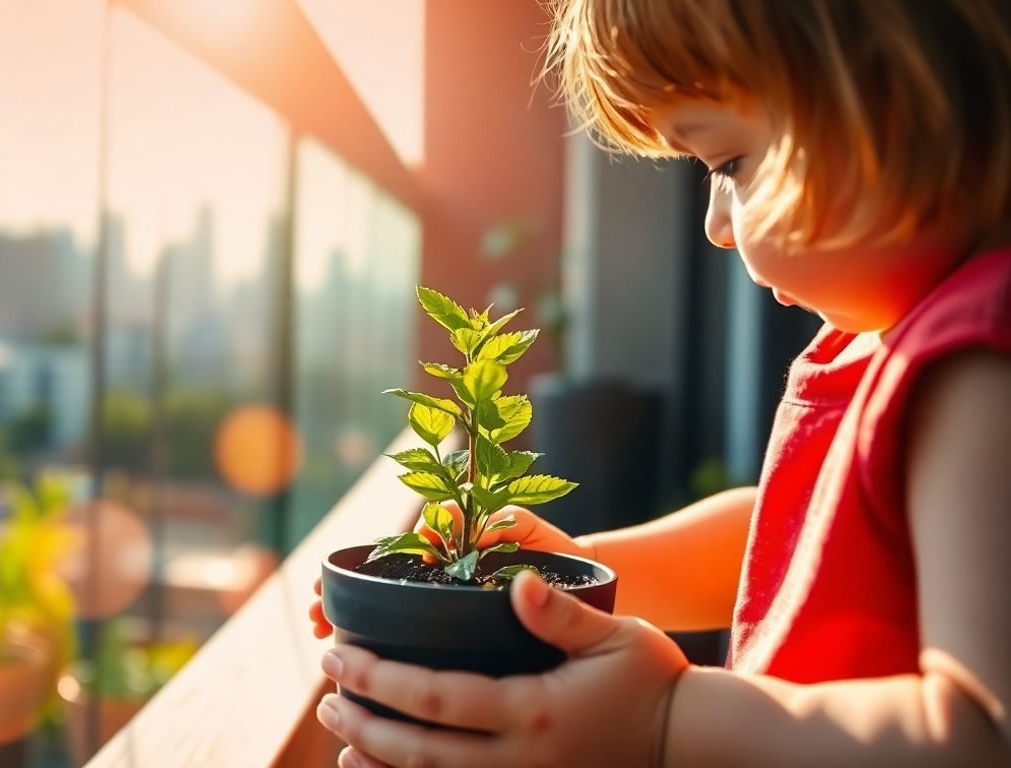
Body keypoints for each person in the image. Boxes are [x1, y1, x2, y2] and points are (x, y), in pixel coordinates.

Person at [308, 1, 1011, 765]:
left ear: (890, 101)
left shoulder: (977, 363)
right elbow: (798, 535)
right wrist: (578, 571)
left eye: (728, 164)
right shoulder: (877, 340)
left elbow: (979, 733)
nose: (715, 222)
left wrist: (666, 722)